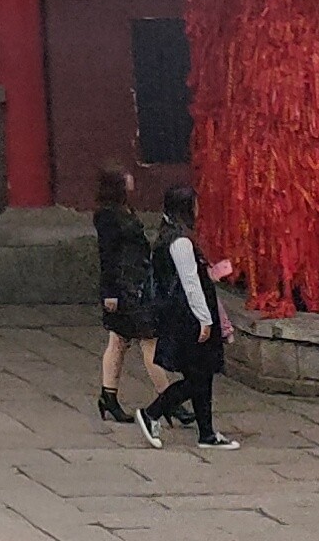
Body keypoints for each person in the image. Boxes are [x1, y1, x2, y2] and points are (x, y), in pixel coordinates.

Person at [135, 182, 240, 451]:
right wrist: (205, 319)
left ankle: (206, 433)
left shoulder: (169, 236)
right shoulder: (180, 242)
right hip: (188, 317)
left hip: (181, 315)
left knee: (201, 376)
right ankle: (152, 413)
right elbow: (190, 283)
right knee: (197, 378)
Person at [91, 168, 157, 425]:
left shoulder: (124, 210)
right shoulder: (108, 216)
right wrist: (109, 292)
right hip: (124, 286)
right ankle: (168, 398)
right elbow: (107, 256)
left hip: (135, 280)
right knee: (147, 339)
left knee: (118, 341)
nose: (132, 181)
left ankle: (108, 396)